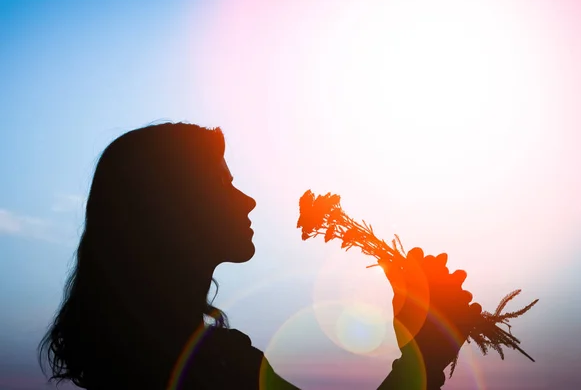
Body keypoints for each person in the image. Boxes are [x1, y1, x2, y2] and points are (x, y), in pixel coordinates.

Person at [39, 122, 481, 389]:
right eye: (223, 184)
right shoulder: (199, 366)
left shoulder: (148, 352)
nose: (248, 201)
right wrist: (421, 346)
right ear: (174, 209)